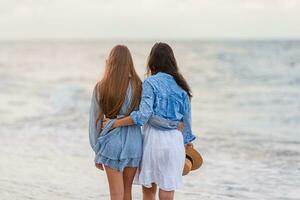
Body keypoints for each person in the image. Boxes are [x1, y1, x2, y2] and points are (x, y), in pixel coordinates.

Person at [103, 42, 196, 200]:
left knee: (149, 191)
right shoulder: (182, 87)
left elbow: (144, 116)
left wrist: (115, 123)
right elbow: (186, 124)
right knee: (168, 193)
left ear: (152, 62)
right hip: (175, 142)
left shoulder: (150, 83)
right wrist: (187, 141)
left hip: (153, 141)